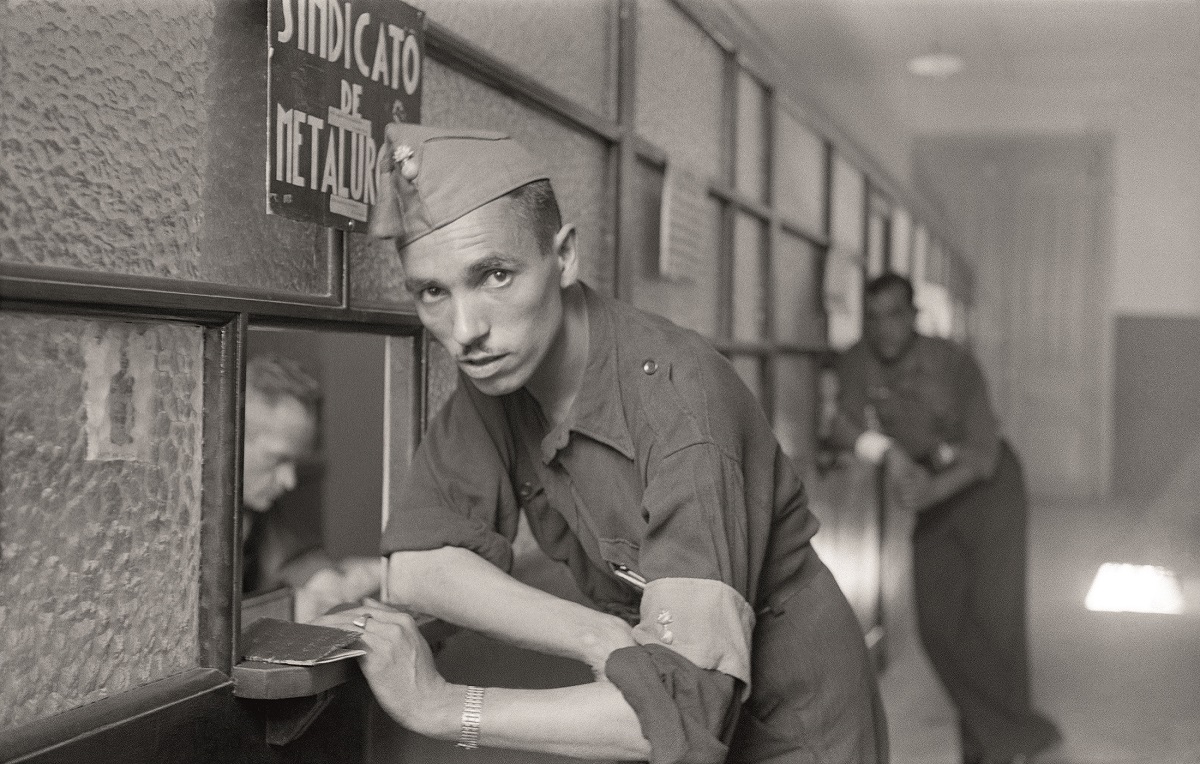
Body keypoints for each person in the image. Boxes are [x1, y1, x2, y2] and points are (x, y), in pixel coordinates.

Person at [318, 124, 888, 764]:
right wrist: (595, 636)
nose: (465, 330)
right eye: (432, 292)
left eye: (496, 275)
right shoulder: (503, 372)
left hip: (797, 717)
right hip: (674, 682)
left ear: (564, 257)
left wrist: (442, 706)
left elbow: (671, 719)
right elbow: (422, 566)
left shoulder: (680, 410)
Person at [825, 273, 1060, 764]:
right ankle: (1022, 732)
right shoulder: (857, 361)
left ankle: (986, 749)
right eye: (873, 316)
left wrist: (931, 488)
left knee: (997, 622)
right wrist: (889, 454)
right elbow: (843, 424)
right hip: (932, 491)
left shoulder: (953, 362)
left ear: (914, 316)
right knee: (937, 626)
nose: (884, 328)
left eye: (894, 314)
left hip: (989, 491)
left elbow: (983, 454)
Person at [242, 354, 378, 622]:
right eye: (277, 459)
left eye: (294, 462)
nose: (290, 481)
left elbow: (293, 558)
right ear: (227, 441)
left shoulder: (256, 510)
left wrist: (322, 577)